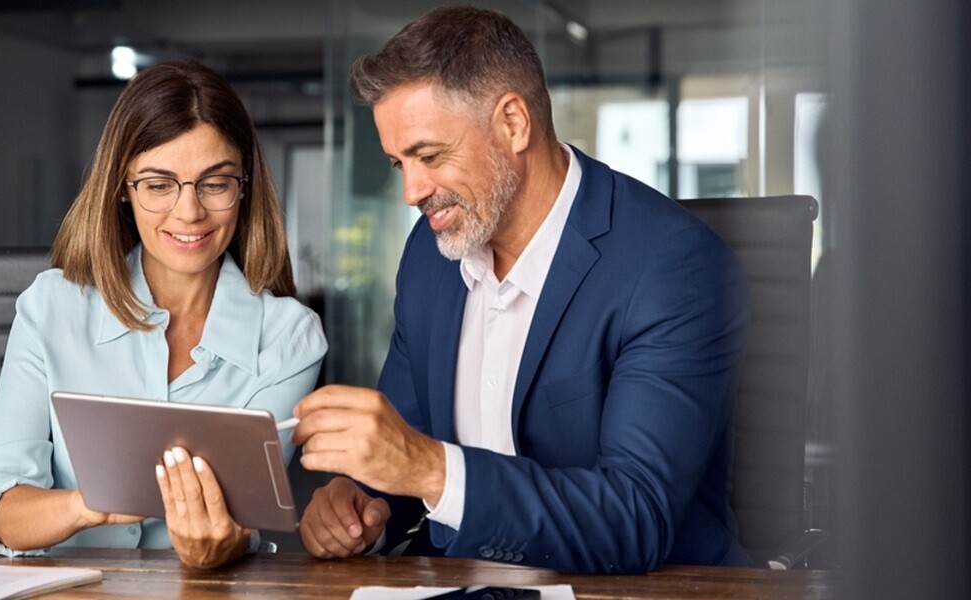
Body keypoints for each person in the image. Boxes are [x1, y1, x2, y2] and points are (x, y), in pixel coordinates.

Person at [290, 6, 751, 573]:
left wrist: (431, 470)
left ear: (513, 122)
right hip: (455, 581)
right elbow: (408, 448)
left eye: (430, 156)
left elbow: (637, 517)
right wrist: (360, 503)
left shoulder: (672, 268)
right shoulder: (430, 257)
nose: (411, 191)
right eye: (397, 163)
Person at [0, 61, 327, 569]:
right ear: (122, 189)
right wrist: (90, 504)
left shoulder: (290, 338)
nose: (189, 212)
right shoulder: (51, 308)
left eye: (214, 183)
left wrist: (218, 544)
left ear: (244, 186)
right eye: (159, 184)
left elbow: (243, 519)